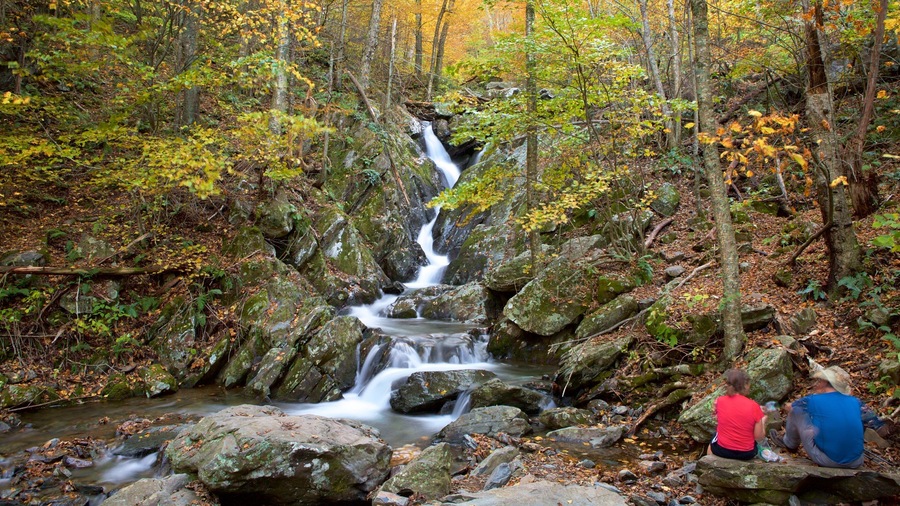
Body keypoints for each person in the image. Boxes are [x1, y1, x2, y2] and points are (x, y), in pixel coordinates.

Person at [769, 365, 864, 468]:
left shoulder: (813, 400)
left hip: (829, 460)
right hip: (857, 461)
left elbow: (790, 407)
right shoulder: (855, 401)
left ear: (824, 383)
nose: (817, 383)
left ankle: (789, 443)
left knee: (796, 411)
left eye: (820, 381)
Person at [708, 368, 766, 460]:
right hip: (746, 454)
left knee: (714, 436)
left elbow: (720, 420)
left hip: (722, 450)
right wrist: (763, 420)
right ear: (745, 385)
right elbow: (759, 437)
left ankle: (709, 463)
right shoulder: (754, 406)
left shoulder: (719, 401)